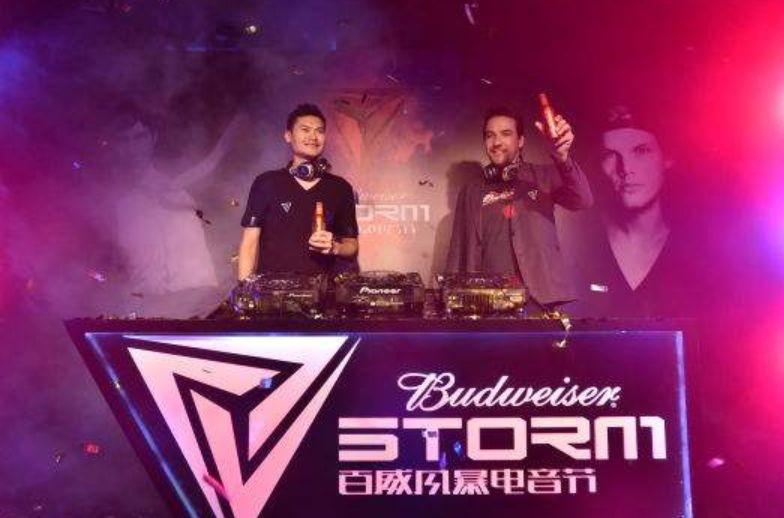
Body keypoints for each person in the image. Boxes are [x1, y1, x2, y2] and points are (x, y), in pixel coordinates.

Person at [446, 106, 593, 310]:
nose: (496, 142)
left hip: (539, 301)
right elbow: (458, 250)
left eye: (506, 134)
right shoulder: (471, 191)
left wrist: (563, 158)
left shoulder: (543, 176)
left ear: (521, 141)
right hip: (486, 303)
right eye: (490, 135)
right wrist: (452, 301)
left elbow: (583, 200)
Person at [574, 105, 700, 317]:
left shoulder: (695, 250)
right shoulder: (580, 247)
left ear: (667, 157)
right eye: (610, 155)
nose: (625, 168)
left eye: (641, 151)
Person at [237, 103, 359, 279]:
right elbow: (249, 242)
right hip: (273, 291)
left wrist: (335, 247)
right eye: (305, 130)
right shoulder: (266, 182)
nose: (313, 136)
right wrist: (244, 288)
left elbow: (352, 245)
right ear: (288, 136)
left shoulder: (340, 187)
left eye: (319, 131)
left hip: (323, 291)